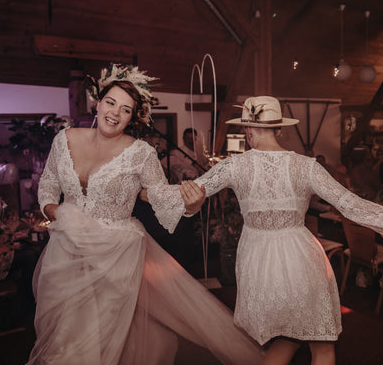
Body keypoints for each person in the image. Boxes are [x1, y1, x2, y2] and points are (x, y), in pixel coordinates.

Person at [151, 96, 383, 365]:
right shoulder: (306, 167)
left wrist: (152, 195)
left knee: (287, 340)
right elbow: (351, 205)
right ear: (279, 129)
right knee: (322, 345)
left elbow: (186, 198)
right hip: (301, 258)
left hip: (257, 263)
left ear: (248, 131)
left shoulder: (233, 166)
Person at [28, 63, 262, 364]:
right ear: (97, 103)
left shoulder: (141, 153)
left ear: (132, 117)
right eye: (110, 103)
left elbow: (157, 193)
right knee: (65, 333)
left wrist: (188, 204)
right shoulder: (64, 140)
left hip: (116, 253)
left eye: (125, 110)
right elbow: (47, 185)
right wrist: (60, 214)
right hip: (67, 251)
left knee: (102, 334)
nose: (114, 113)